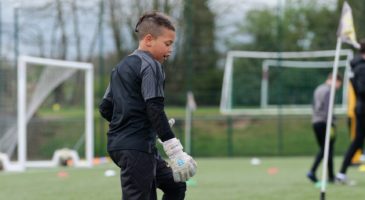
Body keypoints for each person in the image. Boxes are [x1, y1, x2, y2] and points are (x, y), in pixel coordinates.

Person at [99, 11, 197, 199]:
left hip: (124, 146)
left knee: (175, 186)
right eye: (167, 44)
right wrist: (175, 151)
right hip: (136, 147)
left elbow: (105, 107)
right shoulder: (151, 65)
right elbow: (154, 108)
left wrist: (134, 122)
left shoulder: (119, 67)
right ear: (149, 39)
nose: (170, 50)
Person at [336, 39, 365, 184]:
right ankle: (341, 173)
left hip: (360, 107)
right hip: (363, 108)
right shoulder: (361, 68)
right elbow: (362, 89)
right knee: (357, 141)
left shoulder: (357, 66)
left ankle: (341, 173)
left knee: (357, 141)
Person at [306, 73, 343, 184]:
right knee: (327, 149)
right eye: (339, 84)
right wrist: (333, 122)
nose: (338, 87)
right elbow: (328, 110)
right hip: (325, 123)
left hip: (316, 122)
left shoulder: (318, 89)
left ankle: (330, 176)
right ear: (335, 80)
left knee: (326, 149)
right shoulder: (328, 91)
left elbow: (314, 106)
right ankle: (312, 171)